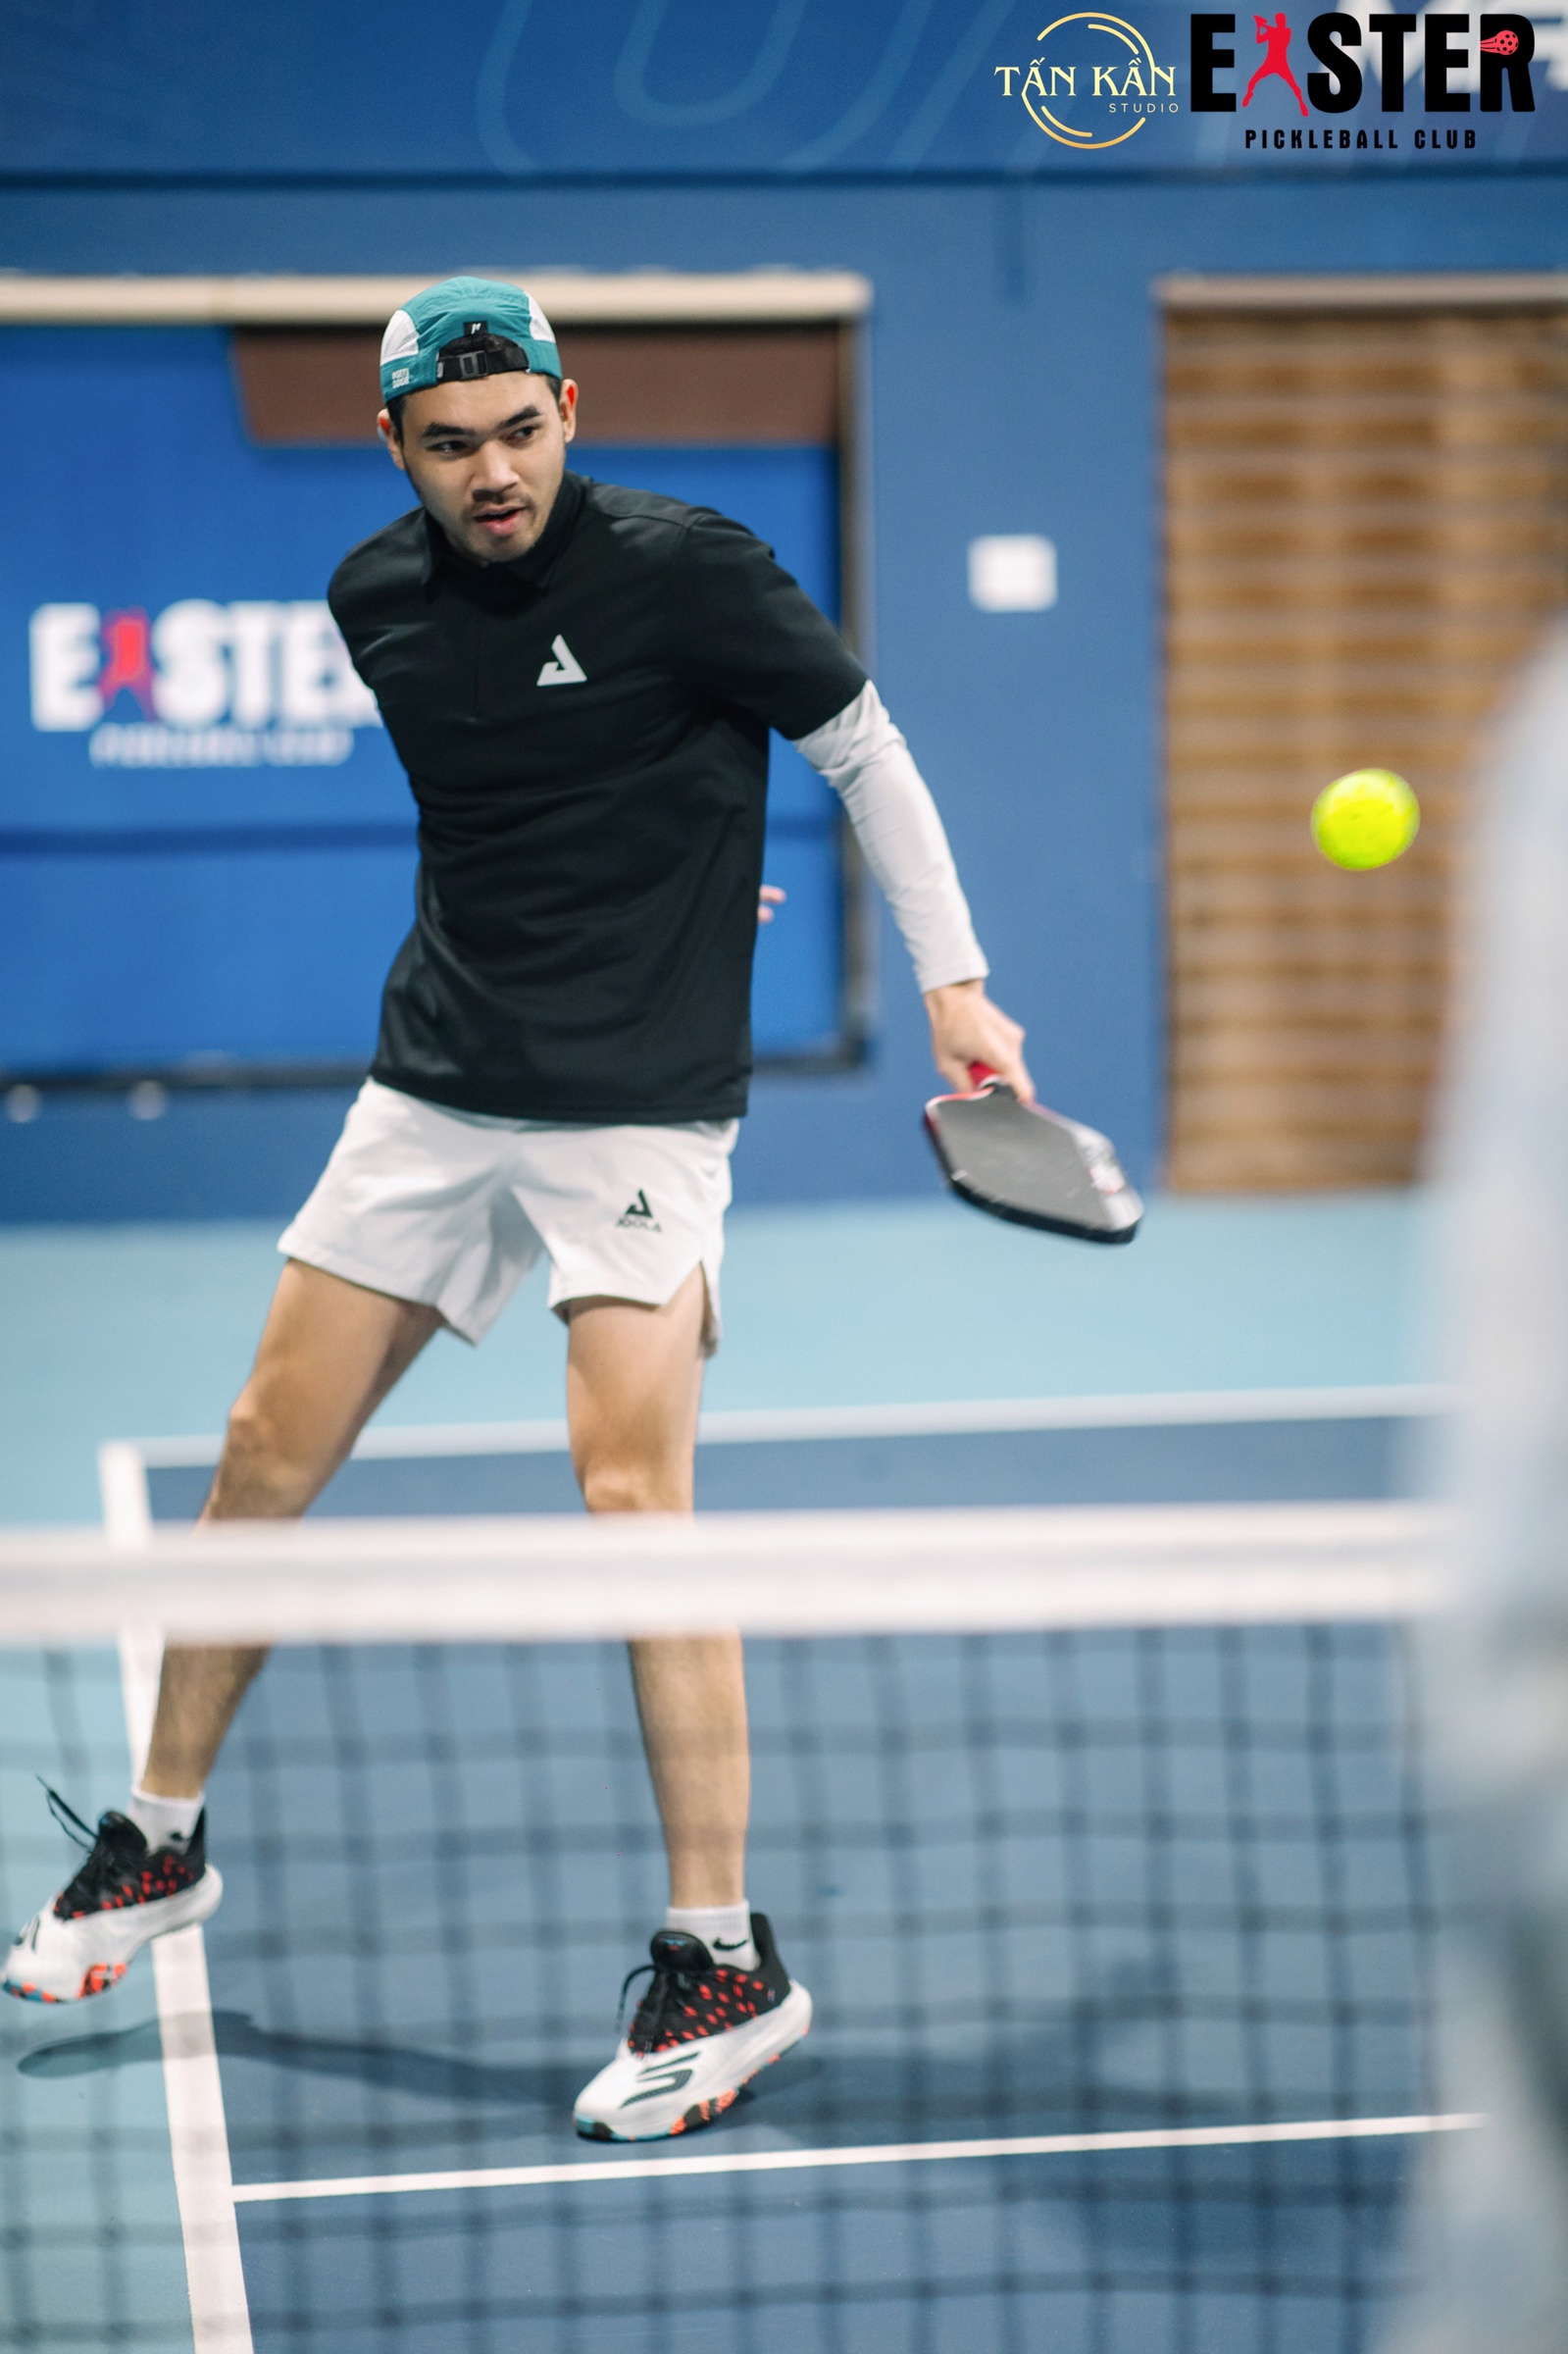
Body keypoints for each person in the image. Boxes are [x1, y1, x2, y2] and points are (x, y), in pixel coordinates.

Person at [4, 277, 1031, 2141]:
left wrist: (954, 985)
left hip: (635, 1110)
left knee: (636, 1510)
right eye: (452, 443)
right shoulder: (372, 601)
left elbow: (863, 752)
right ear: (393, 447)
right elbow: (517, 805)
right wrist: (667, 864)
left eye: (522, 431)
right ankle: (159, 1842)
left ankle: (726, 1964)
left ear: (572, 409)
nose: (494, 471)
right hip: (436, 1089)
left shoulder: (691, 569)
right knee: (258, 1459)